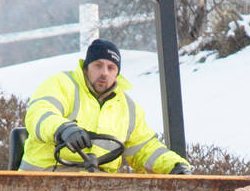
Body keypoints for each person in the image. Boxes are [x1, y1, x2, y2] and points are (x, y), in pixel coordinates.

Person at [18, 38, 191, 174]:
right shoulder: (62, 84)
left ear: (117, 73)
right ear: (86, 67)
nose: (104, 73)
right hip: (44, 179)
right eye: (98, 65)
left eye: (111, 67)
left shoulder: (129, 110)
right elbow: (40, 113)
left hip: (97, 186)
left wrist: (175, 166)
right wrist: (63, 129)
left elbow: (145, 148)